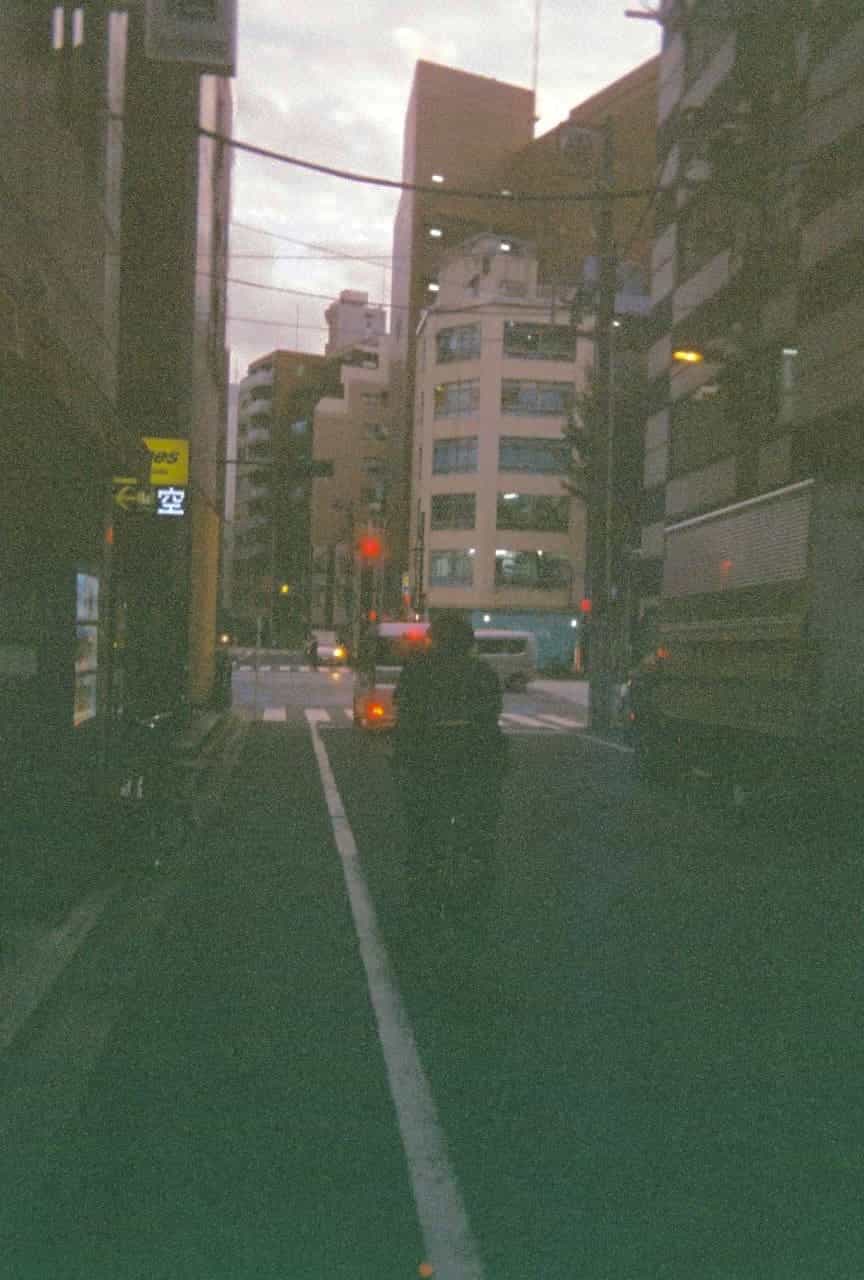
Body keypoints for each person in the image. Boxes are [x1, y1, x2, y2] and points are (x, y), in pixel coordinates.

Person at [392, 611, 507, 878]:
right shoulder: (482, 671)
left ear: (434, 640)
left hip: (428, 755)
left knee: (421, 815)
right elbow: (492, 713)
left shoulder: (418, 669)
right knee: (481, 813)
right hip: (474, 756)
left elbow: (406, 712)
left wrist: (402, 753)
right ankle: (479, 859)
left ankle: (422, 861)